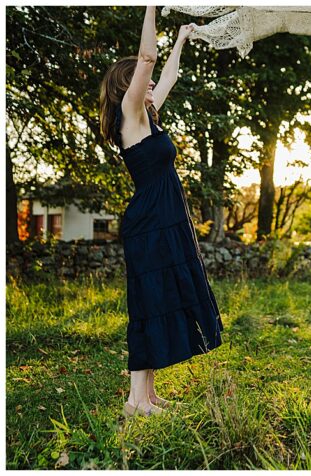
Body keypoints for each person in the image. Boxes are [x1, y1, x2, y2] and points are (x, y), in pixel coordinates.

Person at [98, 7, 221, 417]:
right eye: (141, 80)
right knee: (149, 304)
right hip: (149, 224)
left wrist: (182, 37)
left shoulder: (149, 115)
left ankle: (148, 396)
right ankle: (135, 400)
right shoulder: (129, 116)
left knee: (162, 299)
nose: (150, 82)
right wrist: (152, 6)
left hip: (166, 222)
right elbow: (148, 59)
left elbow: (165, 74)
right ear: (127, 85)